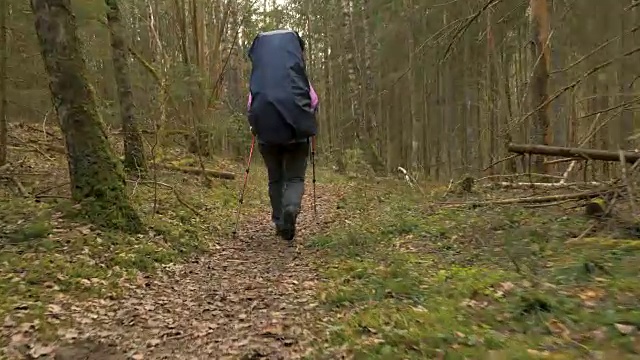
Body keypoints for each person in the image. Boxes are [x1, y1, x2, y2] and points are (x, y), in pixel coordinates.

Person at [246, 29, 319, 241]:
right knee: (295, 177)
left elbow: (251, 107)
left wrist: (255, 126)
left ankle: (279, 221)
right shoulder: (299, 81)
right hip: (297, 134)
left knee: (275, 179)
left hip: (267, 137)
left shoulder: (259, 83)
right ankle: (291, 208)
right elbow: (313, 103)